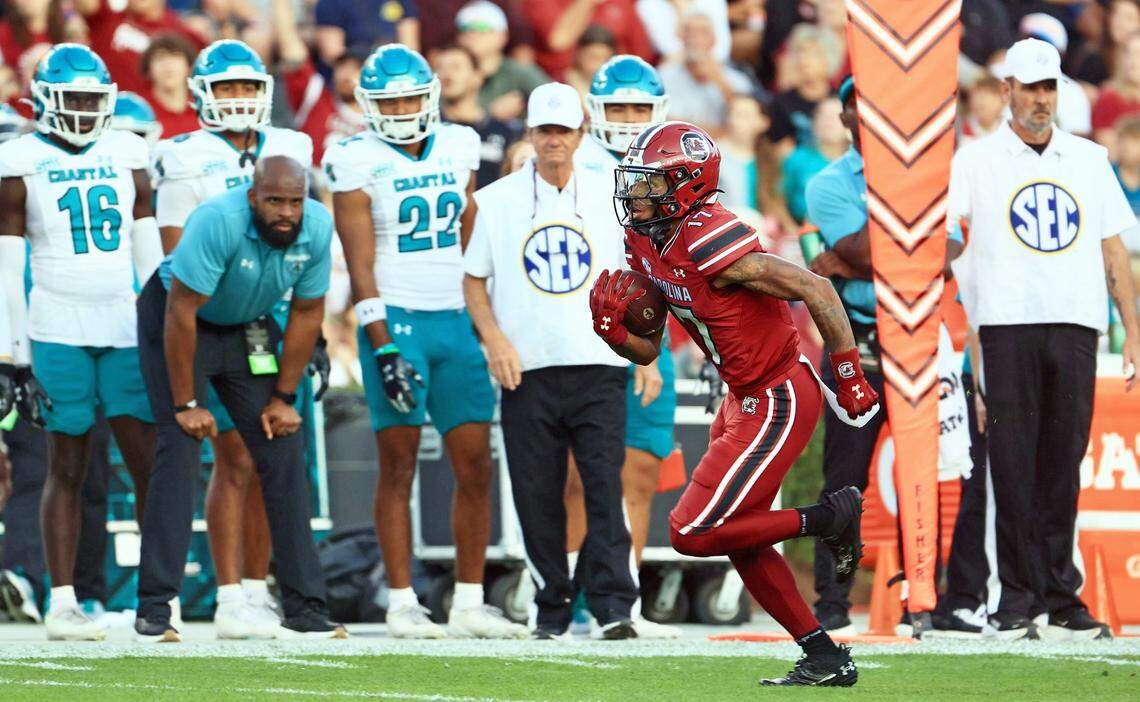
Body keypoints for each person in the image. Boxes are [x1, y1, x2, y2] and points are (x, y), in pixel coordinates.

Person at [596, 120, 880, 684]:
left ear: (684, 185)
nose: (635, 194)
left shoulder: (708, 236)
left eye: (649, 183)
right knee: (740, 535)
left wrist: (847, 373)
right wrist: (615, 335)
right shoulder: (648, 238)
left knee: (691, 531)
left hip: (777, 394)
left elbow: (816, 288)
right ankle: (823, 656)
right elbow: (649, 350)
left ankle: (828, 517)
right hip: (742, 396)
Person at [323, 44, 524, 640]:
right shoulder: (354, 158)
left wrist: (486, 318)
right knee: (398, 464)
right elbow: (361, 267)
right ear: (369, 105)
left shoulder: (461, 144)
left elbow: (470, 238)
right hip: (399, 320)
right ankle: (401, 598)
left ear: (430, 96)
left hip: (456, 320)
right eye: (391, 100)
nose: (404, 108)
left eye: (411, 96)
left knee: (475, 466)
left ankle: (467, 600)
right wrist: (381, 344)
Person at [947, 38, 1140, 640]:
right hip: (1004, 325)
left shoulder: (1088, 158)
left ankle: (1059, 594)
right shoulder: (974, 161)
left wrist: (1132, 331)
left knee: (1062, 462)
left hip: (1077, 321)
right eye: (1029, 87)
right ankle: (1015, 599)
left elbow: (1114, 247)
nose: (1039, 99)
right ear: (1006, 91)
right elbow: (950, 242)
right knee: (1011, 465)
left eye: (1048, 87)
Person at [135, 155, 344, 642]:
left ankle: (304, 608)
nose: (285, 212)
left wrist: (284, 397)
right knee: (179, 448)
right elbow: (181, 310)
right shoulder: (218, 220)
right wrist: (187, 405)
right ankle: (155, 608)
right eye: (274, 201)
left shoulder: (316, 226)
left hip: (247, 324)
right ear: (253, 197)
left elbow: (309, 309)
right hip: (179, 319)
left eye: (295, 201)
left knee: (283, 446)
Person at [150, 39, 316, 640]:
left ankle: (252, 589)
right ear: (202, 94)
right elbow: (174, 257)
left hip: (264, 316)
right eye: (227, 88)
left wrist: (304, 327)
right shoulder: (184, 155)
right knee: (223, 452)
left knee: (261, 451)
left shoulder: (290, 148)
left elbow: (304, 241)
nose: (240, 99)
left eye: (249, 87)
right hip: (202, 316)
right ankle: (225, 593)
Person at [463, 82, 640, 640]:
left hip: (600, 362)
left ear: (581, 134)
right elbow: (473, 280)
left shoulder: (613, 194)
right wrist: (495, 340)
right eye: (544, 130)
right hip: (528, 367)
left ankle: (614, 606)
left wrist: (646, 352)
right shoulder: (497, 200)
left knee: (602, 486)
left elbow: (638, 278)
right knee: (535, 492)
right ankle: (552, 605)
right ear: (531, 134)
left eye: (564, 130)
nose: (554, 141)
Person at [0, 44, 161, 641]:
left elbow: (150, 257)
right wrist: (11, 356)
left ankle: (156, 594)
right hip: (57, 326)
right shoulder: (19, 159)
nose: (87, 111)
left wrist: (163, 331)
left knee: (148, 465)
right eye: (76, 100)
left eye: (95, 99)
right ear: (43, 102)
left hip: (123, 325)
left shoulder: (127, 150)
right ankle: (63, 599)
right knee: (66, 466)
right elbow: (7, 267)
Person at [804, 77, 963, 637]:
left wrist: (859, 257)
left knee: (932, 472)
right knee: (845, 480)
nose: (868, 118)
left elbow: (952, 248)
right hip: (859, 342)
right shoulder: (826, 183)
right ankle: (832, 603)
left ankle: (929, 600)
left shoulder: (928, 173)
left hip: (919, 341)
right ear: (846, 117)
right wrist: (900, 250)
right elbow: (874, 253)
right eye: (857, 108)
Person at [567, 54, 678, 639]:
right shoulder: (575, 163)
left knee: (638, 473)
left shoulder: (679, 165)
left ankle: (623, 604)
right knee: (581, 477)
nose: (631, 119)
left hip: (652, 333)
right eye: (620, 108)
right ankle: (567, 601)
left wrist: (653, 345)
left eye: (640, 107)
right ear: (596, 112)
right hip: (584, 334)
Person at [272, 0, 365, 165]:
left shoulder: (382, 117)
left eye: (357, 68)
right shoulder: (315, 95)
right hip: (313, 184)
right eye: (342, 65)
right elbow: (291, 48)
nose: (347, 74)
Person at [431, 43, 523, 189]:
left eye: (456, 67)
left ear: (478, 76)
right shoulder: (428, 131)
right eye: (440, 68)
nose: (446, 74)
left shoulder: (506, 131)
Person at [74, 0, 208, 96]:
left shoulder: (184, 34)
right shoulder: (106, 18)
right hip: (105, 114)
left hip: (158, 123)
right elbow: (86, 4)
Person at [657, 10, 753, 132]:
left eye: (703, 32)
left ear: (714, 40)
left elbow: (747, 121)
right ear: (681, 38)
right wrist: (719, 133)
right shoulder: (664, 76)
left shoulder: (737, 79)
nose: (695, 37)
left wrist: (718, 80)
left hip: (726, 149)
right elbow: (666, 124)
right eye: (689, 31)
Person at [457, 0, 549, 122]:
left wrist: (528, 109)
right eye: (465, 28)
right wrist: (489, 115)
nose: (472, 34)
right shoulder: (453, 74)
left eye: (481, 28)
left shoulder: (519, 72)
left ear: (503, 35)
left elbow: (553, 101)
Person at [524, 0, 654, 81]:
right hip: (559, 83)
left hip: (613, 82)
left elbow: (640, 54)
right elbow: (558, 41)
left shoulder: (622, 3)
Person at [782, 97, 846, 224]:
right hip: (804, 231)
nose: (828, 122)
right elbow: (777, 199)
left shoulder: (859, 161)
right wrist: (791, 228)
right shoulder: (797, 158)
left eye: (835, 116)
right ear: (814, 123)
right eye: (823, 116)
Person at [313, 0, 419, 71]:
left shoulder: (402, 2)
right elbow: (333, 54)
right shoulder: (331, 3)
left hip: (394, 69)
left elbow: (410, 49)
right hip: (353, 73)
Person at [139, 32, 199, 139]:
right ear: (148, 69)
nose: (168, 64)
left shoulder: (202, 112)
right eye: (160, 57)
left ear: (189, 66)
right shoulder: (138, 111)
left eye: (175, 56)